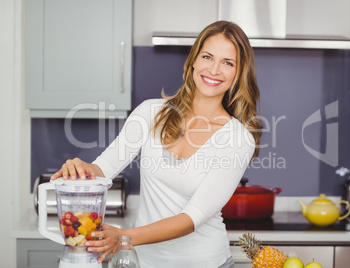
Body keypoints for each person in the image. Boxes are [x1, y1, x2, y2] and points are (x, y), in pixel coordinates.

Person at [51, 20, 262, 268]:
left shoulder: (238, 139)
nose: (214, 70)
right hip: (148, 262)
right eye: (207, 57)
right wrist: (83, 168)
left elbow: (193, 217)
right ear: (193, 60)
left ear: (238, 73)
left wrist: (124, 237)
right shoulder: (151, 113)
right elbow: (104, 167)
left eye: (228, 63)